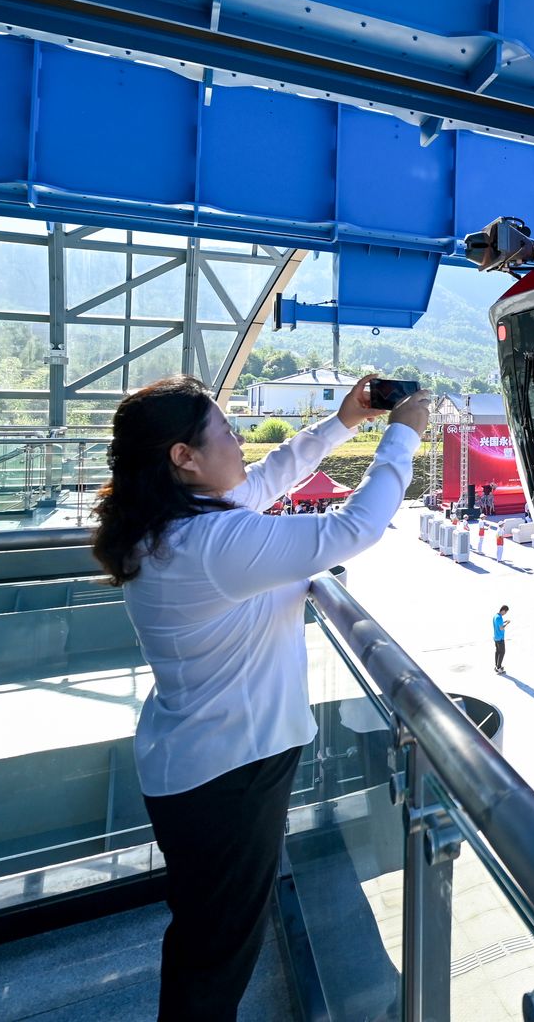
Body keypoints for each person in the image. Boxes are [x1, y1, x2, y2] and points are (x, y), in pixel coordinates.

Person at [90, 373, 430, 1022]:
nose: (239, 439)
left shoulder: (172, 524)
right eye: (224, 431)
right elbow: (354, 528)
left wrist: (343, 422)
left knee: (203, 941)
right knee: (218, 956)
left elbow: (264, 482)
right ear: (183, 458)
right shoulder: (213, 543)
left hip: (197, 764)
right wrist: (401, 439)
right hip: (232, 773)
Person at [493, 604, 510, 674]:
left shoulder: (495, 616)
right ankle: (499, 668)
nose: (505, 613)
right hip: (500, 638)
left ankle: (497, 666)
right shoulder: (499, 618)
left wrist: (504, 621)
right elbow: (501, 628)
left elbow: (498, 624)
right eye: (505, 612)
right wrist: (507, 623)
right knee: (502, 652)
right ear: (503, 610)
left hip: (496, 637)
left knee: (497, 651)